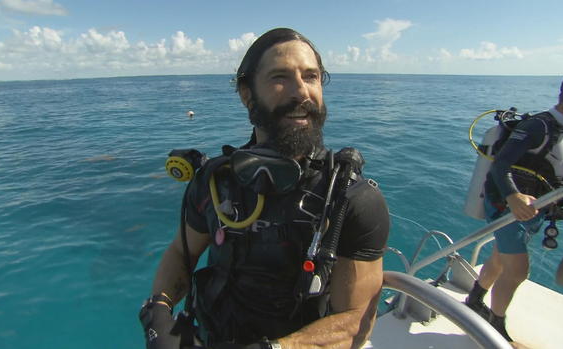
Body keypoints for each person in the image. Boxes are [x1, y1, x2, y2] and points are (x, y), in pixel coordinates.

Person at [139, 28, 390, 349]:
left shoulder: (351, 200)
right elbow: (181, 253)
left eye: (311, 76)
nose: (301, 91)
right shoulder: (215, 181)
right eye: (280, 77)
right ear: (247, 93)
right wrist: (158, 310)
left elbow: (356, 321)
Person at [465, 70, 563, 342]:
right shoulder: (538, 127)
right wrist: (513, 197)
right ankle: (496, 326)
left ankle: (475, 298)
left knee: (499, 258)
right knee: (517, 270)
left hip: (537, 208)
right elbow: (500, 166)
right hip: (506, 204)